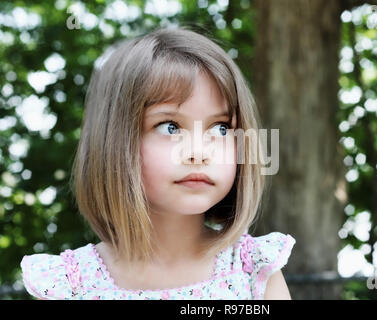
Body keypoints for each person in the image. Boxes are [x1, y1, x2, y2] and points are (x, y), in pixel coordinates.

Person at [20, 26, 296, 300]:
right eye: (171, 127)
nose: (199, 152)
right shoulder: (68, 285)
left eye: (221, 128)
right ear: (115, 142)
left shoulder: (256, 271)